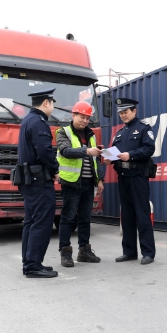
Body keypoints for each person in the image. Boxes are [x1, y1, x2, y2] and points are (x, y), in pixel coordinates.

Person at [56, 101, 105, 267]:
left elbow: (96, 160)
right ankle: (65, 252)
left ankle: (84, 251)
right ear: (73, 115)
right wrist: (86, 150)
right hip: (71, 182)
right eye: (82, 117)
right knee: (68, 218)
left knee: (85, 218)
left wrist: (100, 180)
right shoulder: (63, 132)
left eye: (87, 118)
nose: (84, 121)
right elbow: (65, 151)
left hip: (88, 183)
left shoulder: (91, 135)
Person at [17, 88, 60, 278]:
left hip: (29, 180)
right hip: (39, 181)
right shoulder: (39, 122)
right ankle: (33, 265)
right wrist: (55, 169)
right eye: (52, 103)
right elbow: (44, 151)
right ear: (46, 103)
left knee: (31, 221)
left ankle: (29, 262)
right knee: (42, 221)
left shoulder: (28, 120)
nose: (53, 107)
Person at [109, 98, 157, 265]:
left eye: (126, 112)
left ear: (134, 111)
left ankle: (148, 252)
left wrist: (130, 155)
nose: (123, 115)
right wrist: (108, 158)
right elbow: (115, 153)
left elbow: (149, 148)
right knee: (127, 216)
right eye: (121, 113)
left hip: (138, 176)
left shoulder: (143, 128)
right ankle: (129, 252)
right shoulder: (120, 133)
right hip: (123, 177)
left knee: (142, 214)